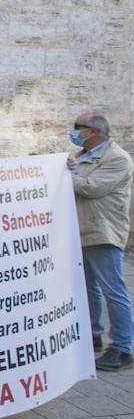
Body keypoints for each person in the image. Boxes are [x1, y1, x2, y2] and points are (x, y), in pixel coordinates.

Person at [69, 114, 134, 371]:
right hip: (82, 229)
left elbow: (92, 187)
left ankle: (121, 347)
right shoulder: (81, 154)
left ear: (93, 130)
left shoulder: (117, 158)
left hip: (102, 230)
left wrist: (64, 174)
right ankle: (92, 334)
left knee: (113, 290)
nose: (74, 132)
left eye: (78, 128)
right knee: (87, 287)